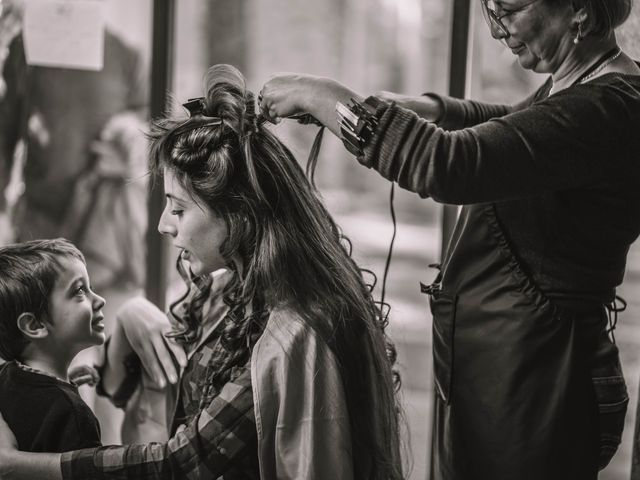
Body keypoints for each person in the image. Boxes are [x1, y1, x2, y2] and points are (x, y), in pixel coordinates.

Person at [254, 1, 640, 479]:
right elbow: (519, 125)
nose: (498, 30)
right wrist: (434, 109)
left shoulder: (612, 107)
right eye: (490, 10)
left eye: (509, 10)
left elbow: (449, 165)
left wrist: (326, 97)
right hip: (511, 371)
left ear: (579, 11)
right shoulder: (586, 86)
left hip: (543, 381)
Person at [0, 64, 404, 480]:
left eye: (178, 208)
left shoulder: (296, 331)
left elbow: (185, 460)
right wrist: (131, 316)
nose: (163, 224)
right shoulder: (226, 288)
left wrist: (19, 468)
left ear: (239, 216)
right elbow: (138, 385)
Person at [0, 18, 149, 443]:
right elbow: (6, 131)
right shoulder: (25, 47)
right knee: (35, 346)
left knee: (97, 340)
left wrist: (129, 151)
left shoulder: (125, 50)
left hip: (105, 231)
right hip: (42, 224)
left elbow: (147, 129)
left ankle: (99, 437)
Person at [0, 238, 106, 452]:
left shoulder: (6, 376)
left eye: (90, 287)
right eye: (79, 291)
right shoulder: (73, 415)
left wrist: (66, 381)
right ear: (34, 324)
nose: (100, 300)